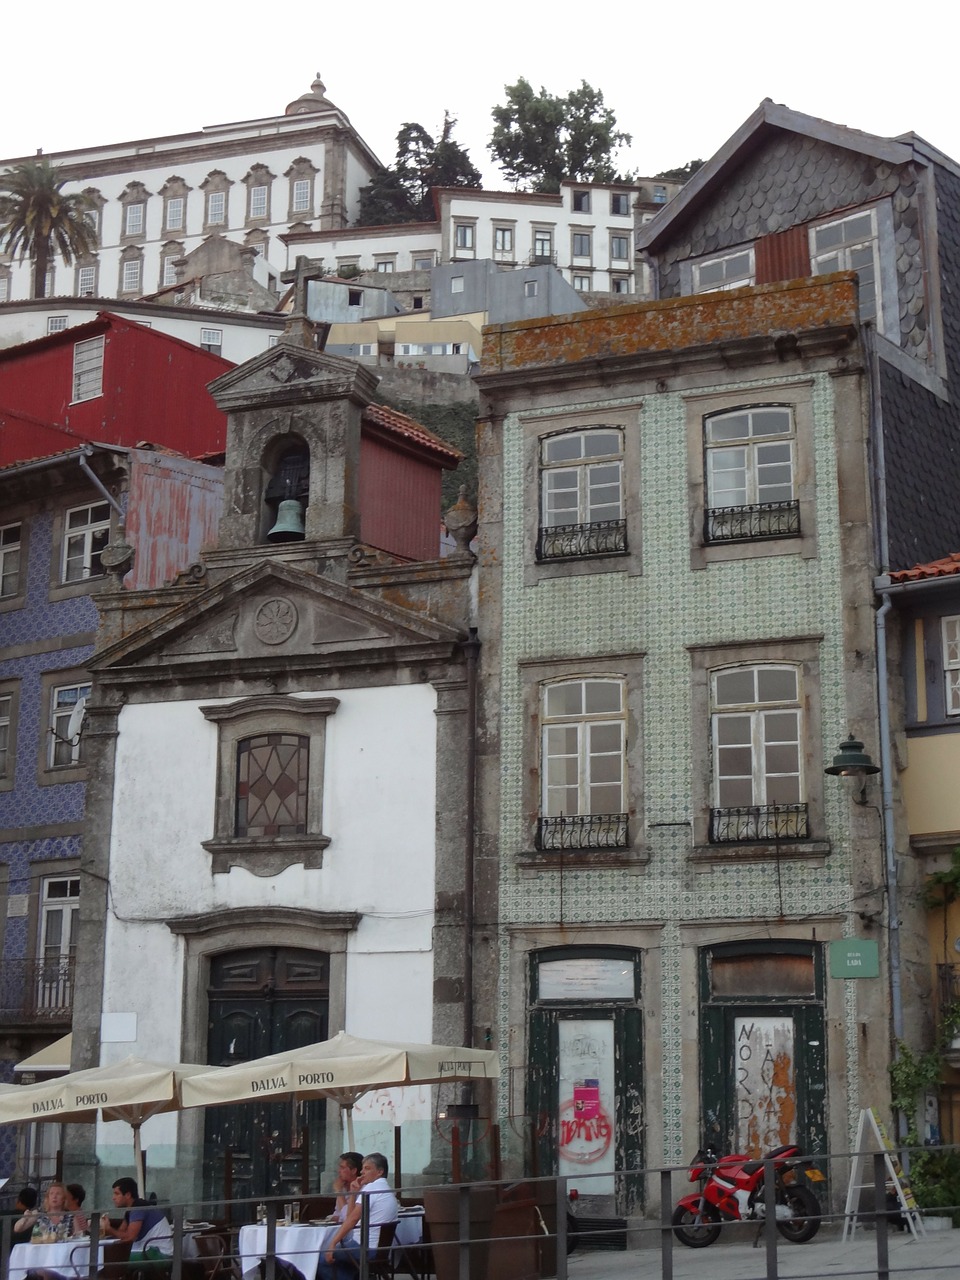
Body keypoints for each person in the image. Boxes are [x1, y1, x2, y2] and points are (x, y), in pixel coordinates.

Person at [317, 1153, 398, 1280]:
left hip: (365, 1248)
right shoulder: (387, 1190)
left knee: (320, 1259)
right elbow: (350, 1216)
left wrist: (333, 1243)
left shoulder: (371, 1188)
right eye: (362, 1168)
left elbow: (352, 1219)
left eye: (367, 1168)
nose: (362, 1172)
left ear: (379, 1172)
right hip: (380, 1250)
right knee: (342, 1263)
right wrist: (354, 1193)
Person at [99, 1178, 171, 1261]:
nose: (113, 1198)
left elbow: (129, 1237)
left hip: (159, 1252)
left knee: (110, 1256)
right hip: (148, 1247)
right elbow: (120, 1234)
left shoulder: (138, 1208)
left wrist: (109, 1229)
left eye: (116, 1194)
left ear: (128, 1195)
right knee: (107, 1253)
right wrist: (106, 1229)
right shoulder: (131, 1210)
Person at [331, 1153, 363, 1225]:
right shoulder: (343, 1187)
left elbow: (348, 1219)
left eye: (342, 1168)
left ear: (353, 1171)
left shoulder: (362, 1190)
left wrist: (339, 1192)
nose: (339, 1171)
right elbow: (336, 1214)